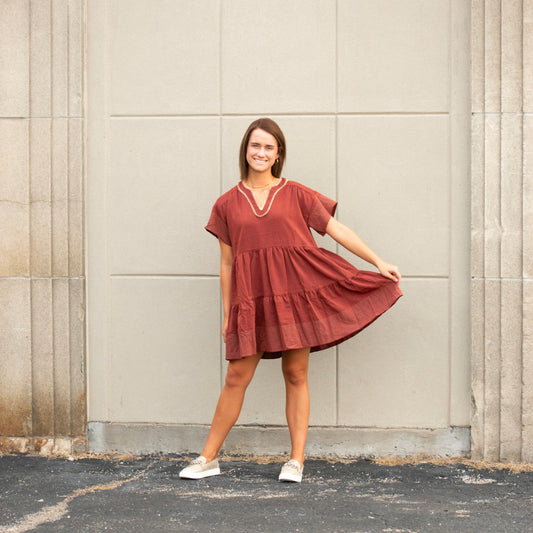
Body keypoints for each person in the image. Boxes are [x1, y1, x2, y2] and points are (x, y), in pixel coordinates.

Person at [179, 118, 402, 483]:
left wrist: (377, 262)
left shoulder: (297, 194)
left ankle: (296, 460)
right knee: (236, 375)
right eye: (255, 146)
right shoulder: (225, 205)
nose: (261, 153)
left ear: (278, 154)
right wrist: (227, 313)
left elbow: (337, 230)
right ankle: (208, 458)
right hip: (252, 299)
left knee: (296, 373)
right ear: (245, 150)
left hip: (297, 297)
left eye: (269, 147)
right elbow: (227, 263)